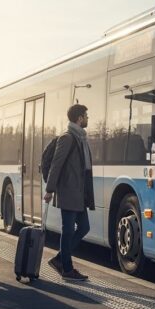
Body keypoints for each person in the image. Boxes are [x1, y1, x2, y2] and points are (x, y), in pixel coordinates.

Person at [44, 104, 94, 281]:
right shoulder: (68, 138)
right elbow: (56, 165)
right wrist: (50, 189)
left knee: (84, 227)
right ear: (79, 118)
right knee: (68, 230)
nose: (88, 118)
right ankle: (67, 268)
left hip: (79, 193)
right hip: (69, 190)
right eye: (86, 116)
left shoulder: (81, 138)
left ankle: (60, 259)